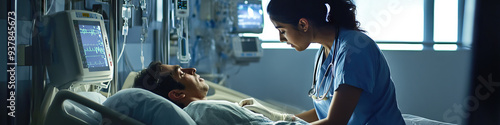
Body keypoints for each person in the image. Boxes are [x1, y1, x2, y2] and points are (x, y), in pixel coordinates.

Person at [242, 0, 405, 124]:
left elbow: (335, 121)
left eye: (282, 31)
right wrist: (280, 119)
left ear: (303, 24)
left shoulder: (355, 50)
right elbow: (325, 112)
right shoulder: (325, 52)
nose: (280, 39)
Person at [133, 61, 309, 125]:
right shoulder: (204, 110)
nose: (192, 69)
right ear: (178, 95)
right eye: (182, 73)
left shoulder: (201, 111)